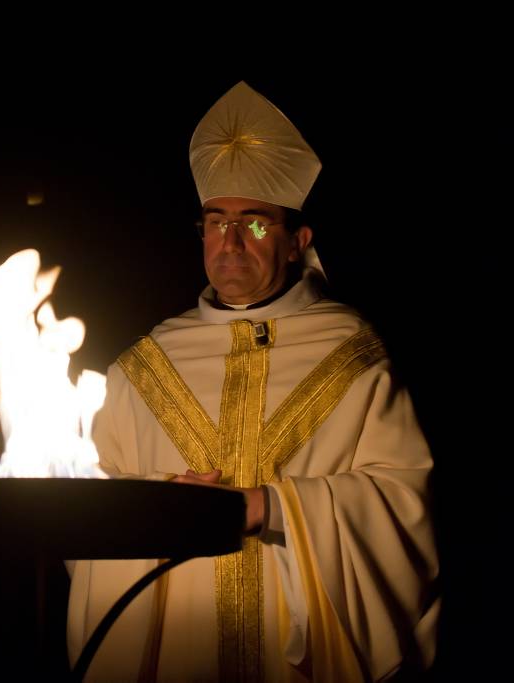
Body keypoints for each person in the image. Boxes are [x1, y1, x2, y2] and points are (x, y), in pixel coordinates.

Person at [67, 82, 439, 681]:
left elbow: (403, 503)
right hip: (174, 648)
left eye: (256, 225)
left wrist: (268, 507)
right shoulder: (143, 365)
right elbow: (91, 500)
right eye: (216, 222)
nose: (232, 243)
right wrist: (165, 498)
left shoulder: (353, 355)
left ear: (298, 243)